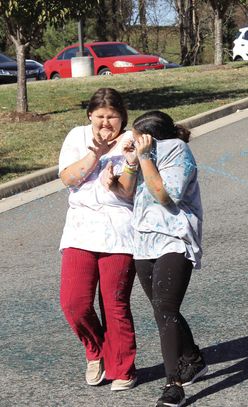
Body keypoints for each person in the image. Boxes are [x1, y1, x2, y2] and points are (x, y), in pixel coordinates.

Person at [117, 111, 207, 407]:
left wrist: (144, 157)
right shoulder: (145, 154)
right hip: (144, 241)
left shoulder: (178, 151)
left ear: (152, 137)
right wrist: (129, 165)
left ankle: (174, 384)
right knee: (162, 309)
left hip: (175, 237)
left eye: (137, 136)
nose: (132, 140)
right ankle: (193, 358)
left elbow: (166, 195)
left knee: (166, 307)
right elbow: (128, 192)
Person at [58, 88, 137, 391]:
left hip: (119, 227)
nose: (106, 123)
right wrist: (96, 155)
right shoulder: (77, 136)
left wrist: (124, 169)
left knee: (114, 302)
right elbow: (67, 178)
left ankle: (124, 367)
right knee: (74, 302)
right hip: (81, 227)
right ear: (90, 115)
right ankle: (96, 351)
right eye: (100, 117)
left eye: (112, 117)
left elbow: (130, 192)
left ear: (122, 118)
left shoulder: (132, 140)